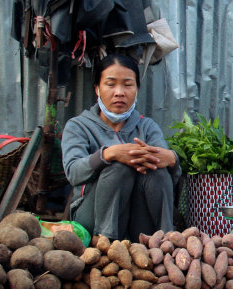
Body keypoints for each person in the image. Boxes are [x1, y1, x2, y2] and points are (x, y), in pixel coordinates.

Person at [61, 53, 181, 241]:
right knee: (118, 168)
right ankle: (106, 246)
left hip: (138, 222)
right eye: (110, 84)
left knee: (157, 169)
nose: (119, 92)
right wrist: (109, 154)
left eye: (127, 84)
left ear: (136, 89)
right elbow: (73, 173)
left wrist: (172, 159)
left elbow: (169, 179)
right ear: (97, 89)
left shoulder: (147, 127)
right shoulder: (78, 126)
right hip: (92, 220)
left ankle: (165, 241)